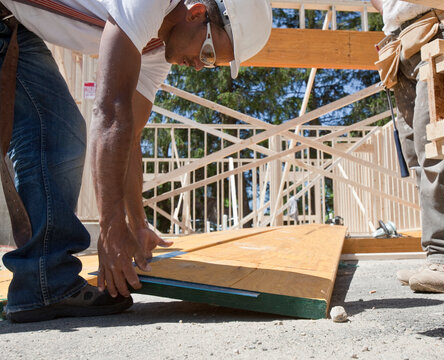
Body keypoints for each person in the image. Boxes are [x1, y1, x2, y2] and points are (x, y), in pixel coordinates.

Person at [0, 0, 272, 322]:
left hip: (11, 21)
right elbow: (111, 110)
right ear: (197, 13)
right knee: (57, 131)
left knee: (57, 131)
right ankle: (44, 285)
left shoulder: (156, 52)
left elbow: (127, 136)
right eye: (208, 53)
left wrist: (137, 224)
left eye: (210, 64)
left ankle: (42, 286)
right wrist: (111, 227)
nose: (200, 66)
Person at [371, 0, 444, 293]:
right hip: (399, 45)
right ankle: (436, 255)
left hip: (438, 26)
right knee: (415, 154)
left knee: (437, 147)